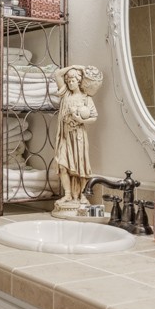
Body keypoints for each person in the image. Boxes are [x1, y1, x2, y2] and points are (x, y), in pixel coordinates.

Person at [54, 65, 103, 207]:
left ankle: (81, 195)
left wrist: (81, 120)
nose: (70, 83)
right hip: (64, 135)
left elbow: (94, 117)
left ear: (79, 81)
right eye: (68, 80)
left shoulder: (86, 98)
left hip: (79, 136)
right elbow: (57, 74)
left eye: (73, 80)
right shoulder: (65, 94)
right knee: (62, 164)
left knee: (80, 165)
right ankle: (68, 195)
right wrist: (75, 66)